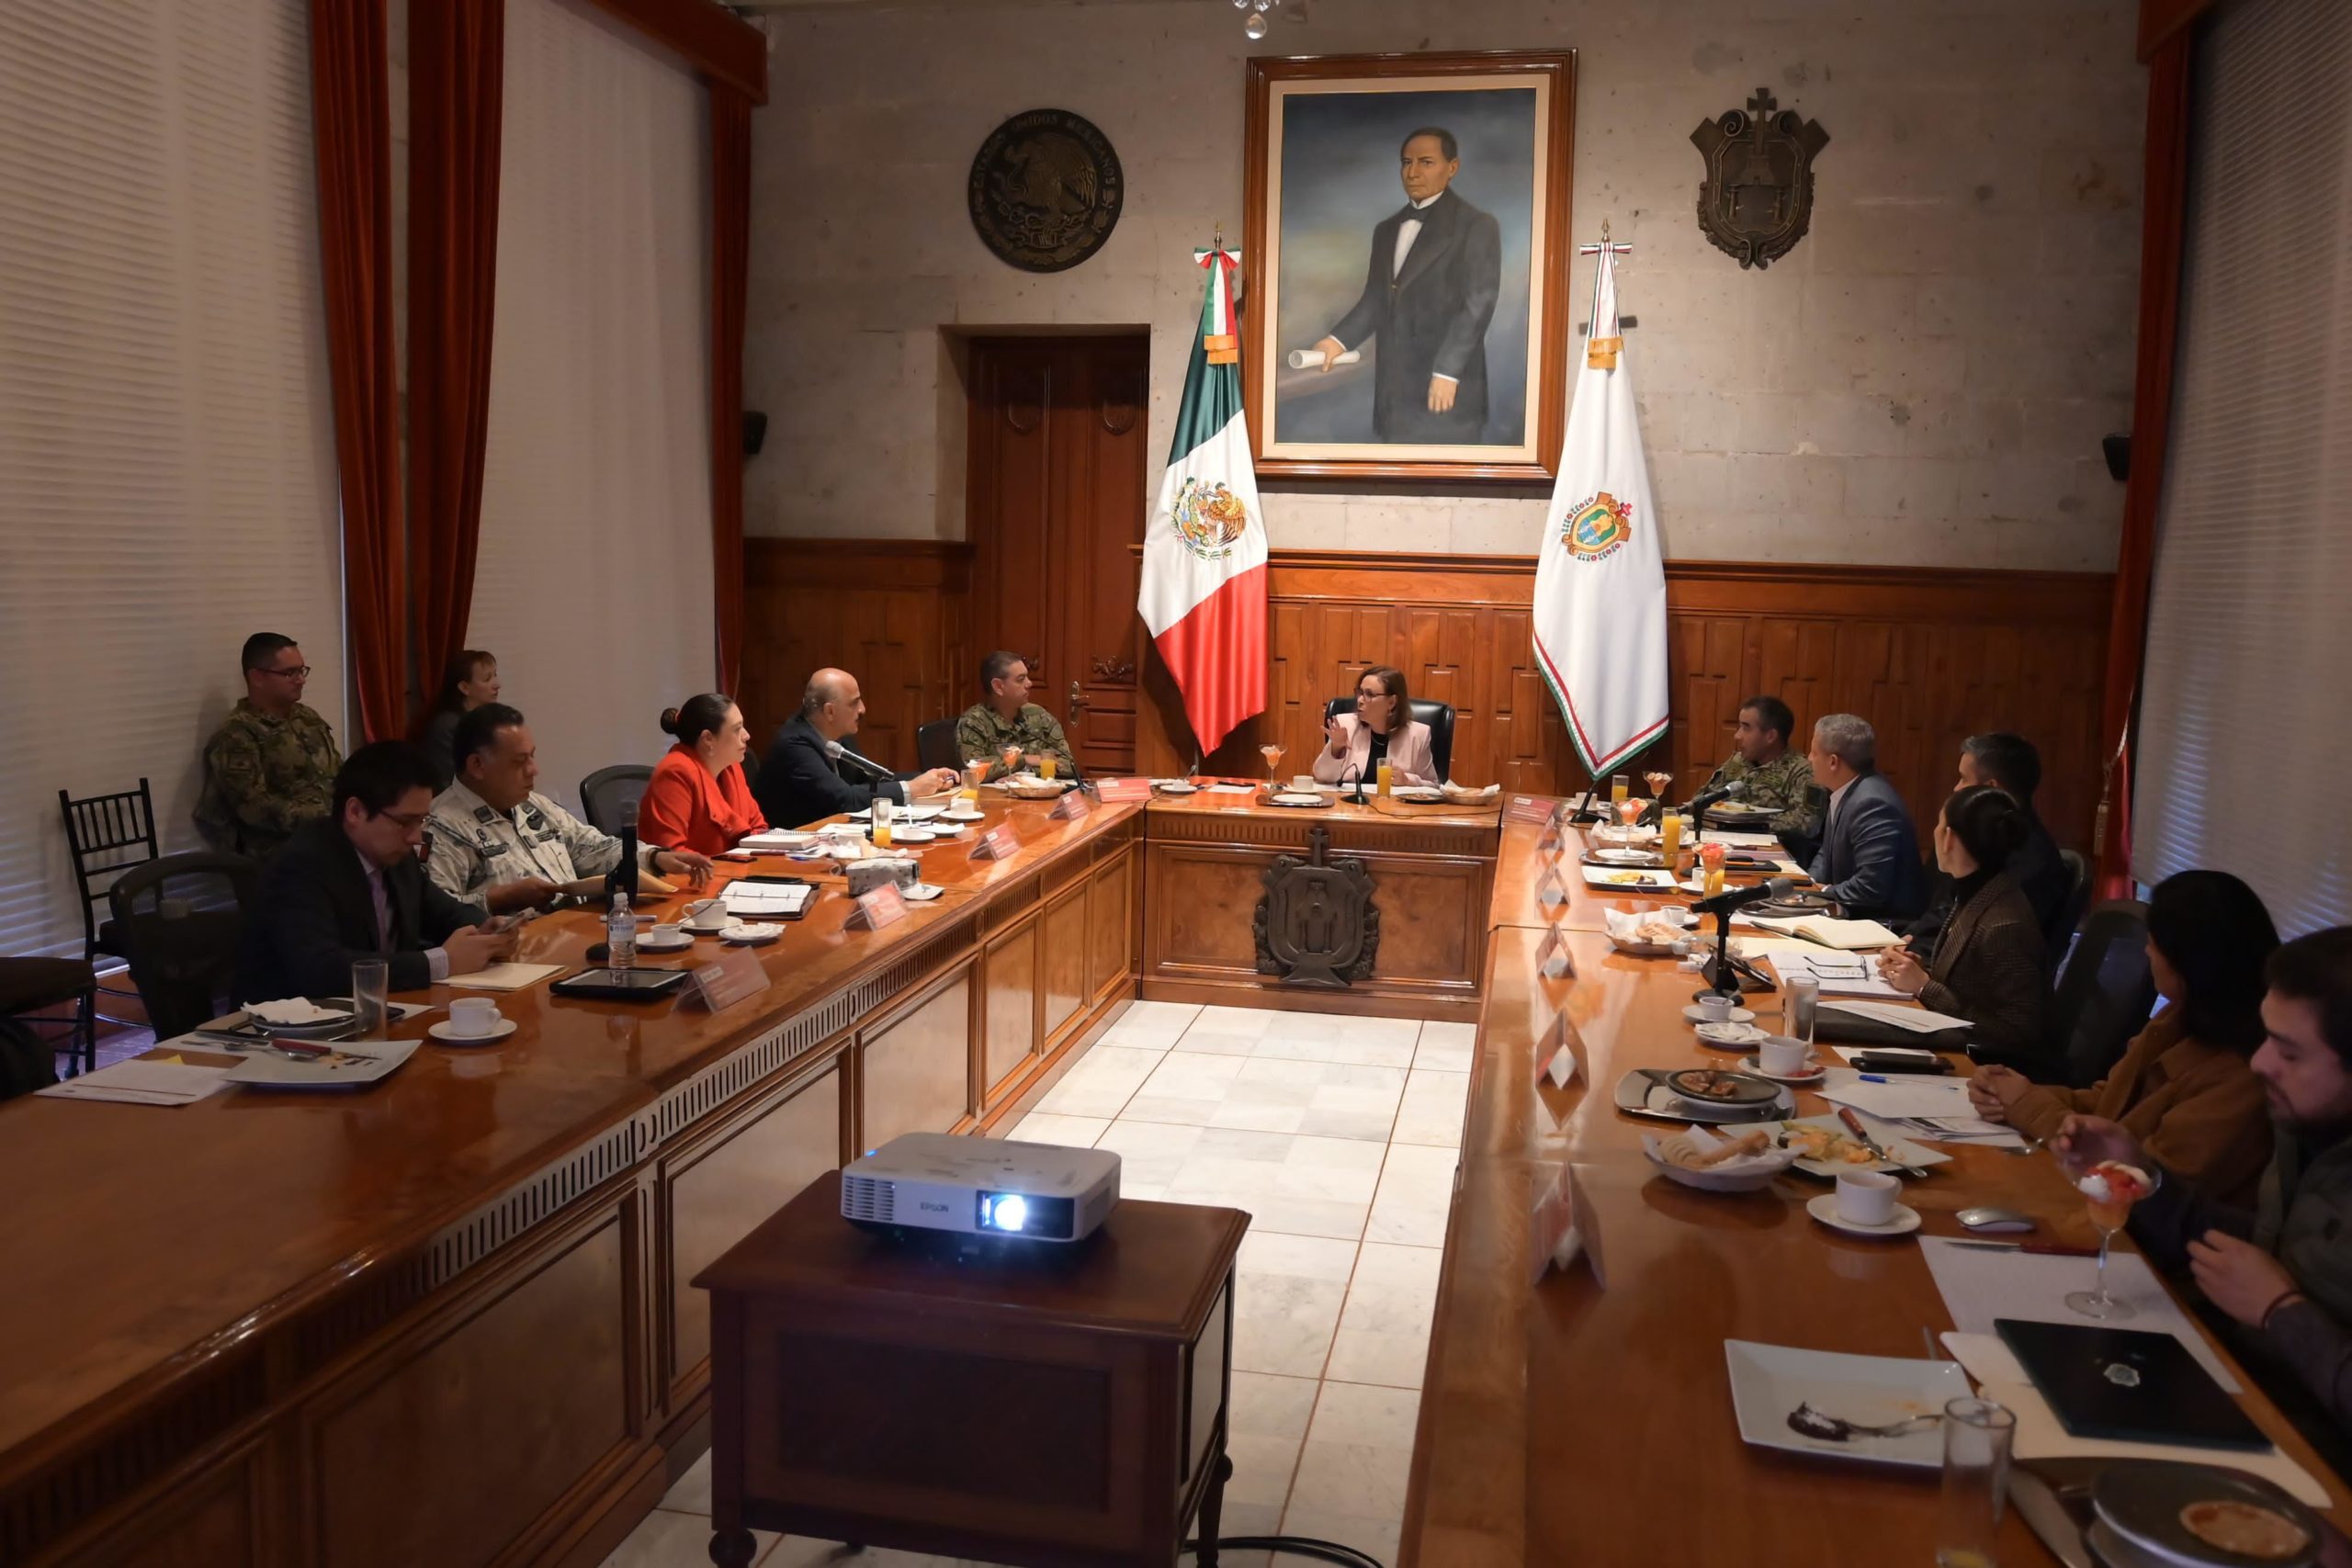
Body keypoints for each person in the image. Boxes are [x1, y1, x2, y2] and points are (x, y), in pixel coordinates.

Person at [2057, 927, 2352, 1467]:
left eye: (2289, 1051)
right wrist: (2142, 1177)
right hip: (2231, 1389)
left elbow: (2275, 1287)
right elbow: (2267, 1254)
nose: (2260, 1063)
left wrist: (2280, 1311)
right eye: (2266, 1039)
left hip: (2308, 1462)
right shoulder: (2308, 1131)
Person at [1970, 870, 2278, 1204]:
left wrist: (2027, 1105)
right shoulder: (2180, 1016)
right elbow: (2108, 1104)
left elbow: (2146, 1185)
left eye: (2153, 942)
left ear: (2190, 961)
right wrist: (2010, 1094)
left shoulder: (2243, 1073)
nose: (2146, 952)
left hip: (2148, 1243)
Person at [235, 741, 515, 1001]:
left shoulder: (395, 855)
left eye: (421, 821)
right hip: (286, 1033)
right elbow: (320, 970)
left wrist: (487, 930)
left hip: (379, 1013)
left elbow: (445, 912)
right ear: (355, 811)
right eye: (405, 822)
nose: (416, 837)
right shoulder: (301, 865)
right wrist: (441, 962)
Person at [1306, 127, 1503, 445]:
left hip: (1445, 391)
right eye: (1406, 162)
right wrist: (1337, 341)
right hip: (1394, 394)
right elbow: (1375, 299)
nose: (1412, 172)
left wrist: (1447, 371)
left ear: (1452, 168)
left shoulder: (1477, 225)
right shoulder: (1385, 230)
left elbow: (1478, 304)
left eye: (1426, 162)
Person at [424, 704, 711, 913]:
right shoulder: (440, 826)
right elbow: (433, 914)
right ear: (477, 765)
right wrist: (497, 899)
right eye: (519, 761)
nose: (533, 770)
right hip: (512, 955)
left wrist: (656, 857)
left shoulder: (532, 805)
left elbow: (592, 848)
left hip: (575, 931)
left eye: (532, 757)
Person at [1875, 786, 2050, 1066]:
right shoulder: (1979, 890)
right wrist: (1919, 970)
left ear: (1948, 839)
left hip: (1979, 1068)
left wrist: (1924, 987)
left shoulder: (2005, 923)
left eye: (1939, 823)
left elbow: (2018, 1033)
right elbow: (1968, 980)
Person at [1909, 731, 2073, 958]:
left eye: (1963, 778)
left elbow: (1981, 945)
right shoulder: (1977, 836)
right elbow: (1945, 906)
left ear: (1991, 788)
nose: (1957, 788)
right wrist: (1912, 940)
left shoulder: (2030, 863)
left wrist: (1919, 962)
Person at [195, 632, 342, 862]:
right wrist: (325, 817)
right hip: (277, 854)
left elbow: (335, 772)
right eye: (289, 673)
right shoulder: (238, 734)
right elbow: (254, 807)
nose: (301, 680)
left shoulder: (306, 717)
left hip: (326, 838)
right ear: (257, 678)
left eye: (302, 670)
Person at [753, 668, 962, 829]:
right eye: (854, 703)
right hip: (793, 853)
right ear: (830, 711)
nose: (862, 709)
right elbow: (844, 800)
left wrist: (927, 778)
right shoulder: (794, 745)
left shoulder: (837, 734)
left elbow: (869, 780)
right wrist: (912, 788)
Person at [1792, 713, 1926, 922]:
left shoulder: (1872, 803)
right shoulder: (1844, 789)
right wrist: (1807, 883)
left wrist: (1821, 891)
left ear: (1833, 762)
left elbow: (1870, 886)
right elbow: (1826, 853)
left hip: (1882, 925)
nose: (1808, 758)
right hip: (1851, 912)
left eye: (1814, 752)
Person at [639, 694, 769, 856]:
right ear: (708, 738)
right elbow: (673, 855)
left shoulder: (731, 766)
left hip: (734, 871)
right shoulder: (674, 773)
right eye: (737, 729)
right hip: (689, 878)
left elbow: (758, 827)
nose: (746, 735)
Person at [1695, 694, 1815, 835]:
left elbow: (1807, 823)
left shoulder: (1801, 770)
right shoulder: (1738, 761)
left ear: (1770, 736)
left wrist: (1749, 823)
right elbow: (1701, 799)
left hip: (1770, 850)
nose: (1737, 736)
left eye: (1746, 728)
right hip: (1718, 842)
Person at [954, 652, 1077, 782]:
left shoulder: (1039, 716)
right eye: (1020, 679)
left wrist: (1025, 774)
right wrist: (1025, 759)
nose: (1029, 684)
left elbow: (1068, 764)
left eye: (1027, 677)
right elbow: (972, 771)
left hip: (1041, 796)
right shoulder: (974, 722)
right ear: (998, 687)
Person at [1312, 665, 1438, 787]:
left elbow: (1433, 786)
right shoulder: (1345, 725)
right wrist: (1336, 748)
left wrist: (1407, 780)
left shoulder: (1418, 734)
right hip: (1350, 805)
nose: (1360, 700)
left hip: (1394, 807)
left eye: (1370, 694)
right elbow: (1321, 777)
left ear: (1392, 702)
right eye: (1360, 692)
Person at [419, 649, 501, 793]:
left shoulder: (488, 720)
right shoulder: (447, 726)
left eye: (495, 675)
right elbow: (447, 783)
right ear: (464, 687)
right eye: (487, 679)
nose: (497, 684)